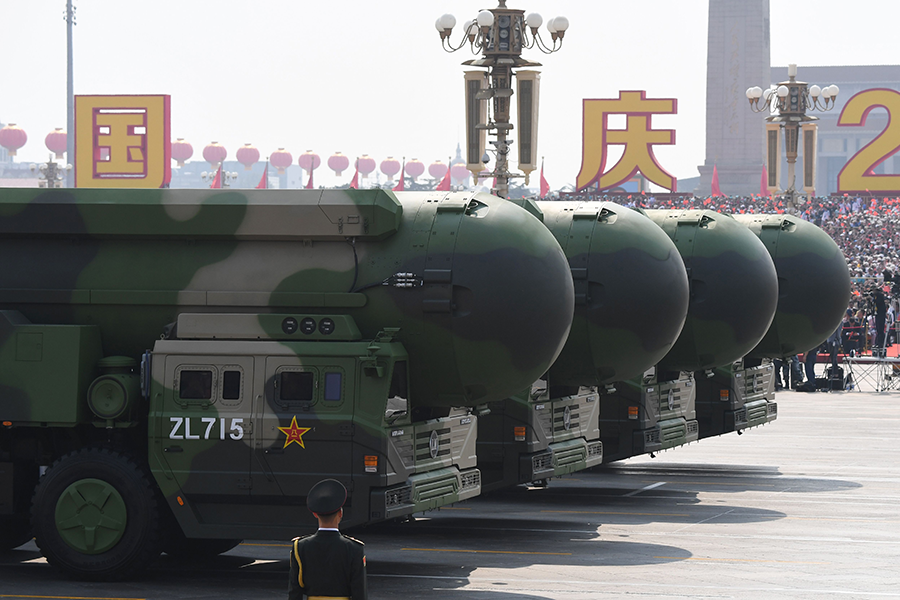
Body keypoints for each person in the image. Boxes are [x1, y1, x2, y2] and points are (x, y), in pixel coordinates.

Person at [288, 479, 367, 600]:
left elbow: (295, 591)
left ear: (315, 514)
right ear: (340, 513)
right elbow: (359, 592)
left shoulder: (300, 546)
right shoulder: (354, 548)